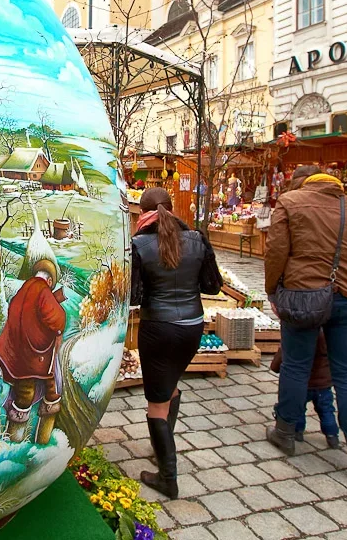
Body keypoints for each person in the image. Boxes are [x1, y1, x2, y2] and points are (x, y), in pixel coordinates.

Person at [265, 166, 347, 480]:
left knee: (295, 365)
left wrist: (273, 289)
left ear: (303, 183)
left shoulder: (289, 202)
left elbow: (276, 252)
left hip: (304, 294)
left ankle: (285, 433)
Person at [130, 187, 222, 499]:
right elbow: (213, 285)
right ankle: (161, 446)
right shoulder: (197, 238)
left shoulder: (139, 244)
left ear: (143, 213)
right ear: (171, 208)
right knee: (171, 386)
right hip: (193, 327)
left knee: (157, 403)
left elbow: (134, 297)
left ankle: (167, 478)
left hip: (159, 328)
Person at [0, 230, 65, 446]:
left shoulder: (25, 288)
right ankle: (31, 441)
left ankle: (14, 442)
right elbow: (55, 317)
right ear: (49, 279)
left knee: (25, 389)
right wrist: (59, 325)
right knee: (44, 388)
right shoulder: (42, 290)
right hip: (36, 354)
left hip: (19, 351)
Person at [268, 332, 338, 448]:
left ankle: (297, 431)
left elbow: (281, 356)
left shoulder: (298, 336)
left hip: (303, 384)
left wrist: (275, 366)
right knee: (327, 411)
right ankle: (332, 435)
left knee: (299, 409)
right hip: (323, 386)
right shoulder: (329, 338)